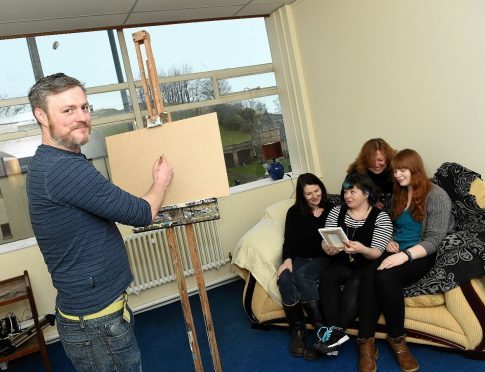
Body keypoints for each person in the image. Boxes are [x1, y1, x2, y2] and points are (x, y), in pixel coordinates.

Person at [26, 73, 174, 371]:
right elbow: (141, 213)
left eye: (84, 107)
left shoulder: (54, 161)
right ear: (40, 115)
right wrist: (161, 182)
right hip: (97, 324)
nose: (81, 117)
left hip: (95, 317)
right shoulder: (62, 169)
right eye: (67, 110)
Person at [356, 149, 454, 372]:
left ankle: (397, 340)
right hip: (396, 249)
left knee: (385, 277)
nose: (397, 175)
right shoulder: (398, 193)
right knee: (368, 275)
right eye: (395, 171)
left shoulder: (437, 195)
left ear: (415, 169)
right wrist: (390, 240)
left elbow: (435, 239)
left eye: (402, 170)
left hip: (420, 253)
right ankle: (366, 344)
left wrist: (404, 255)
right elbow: (390, 224)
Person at [311, 173, 393, 357]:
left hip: (367, 264)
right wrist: (328, 248)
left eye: (352, 191)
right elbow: (326, 240)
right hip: (342, 262)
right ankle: (335, 335)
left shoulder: (381, 218)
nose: (347, 195)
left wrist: (363, 249)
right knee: (328, 276)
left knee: (356, 283)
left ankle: (333, 336)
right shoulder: (336, 211)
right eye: (345, 191)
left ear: (366, 193)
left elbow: (377, 252)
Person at [276, 173, 334, 361]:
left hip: (324, 257)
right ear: (302, 195)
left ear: (321, 189)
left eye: (316, 191)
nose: (314, 196)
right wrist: (287, 260)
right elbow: (290, 241)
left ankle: (321, 330)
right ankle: (298, 332)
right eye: (308, 194)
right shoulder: (294, 212)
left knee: (302, 276)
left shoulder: (332, 209)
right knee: (284, 277)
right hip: (300, 256)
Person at [347, 138, 397, 208]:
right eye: (371, 161)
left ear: (388, 158)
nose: (376, 165)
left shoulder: (397, 168)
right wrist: (368, 202)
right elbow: (346, 196)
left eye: (380, 160)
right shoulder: (355, 172)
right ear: (365, 160)